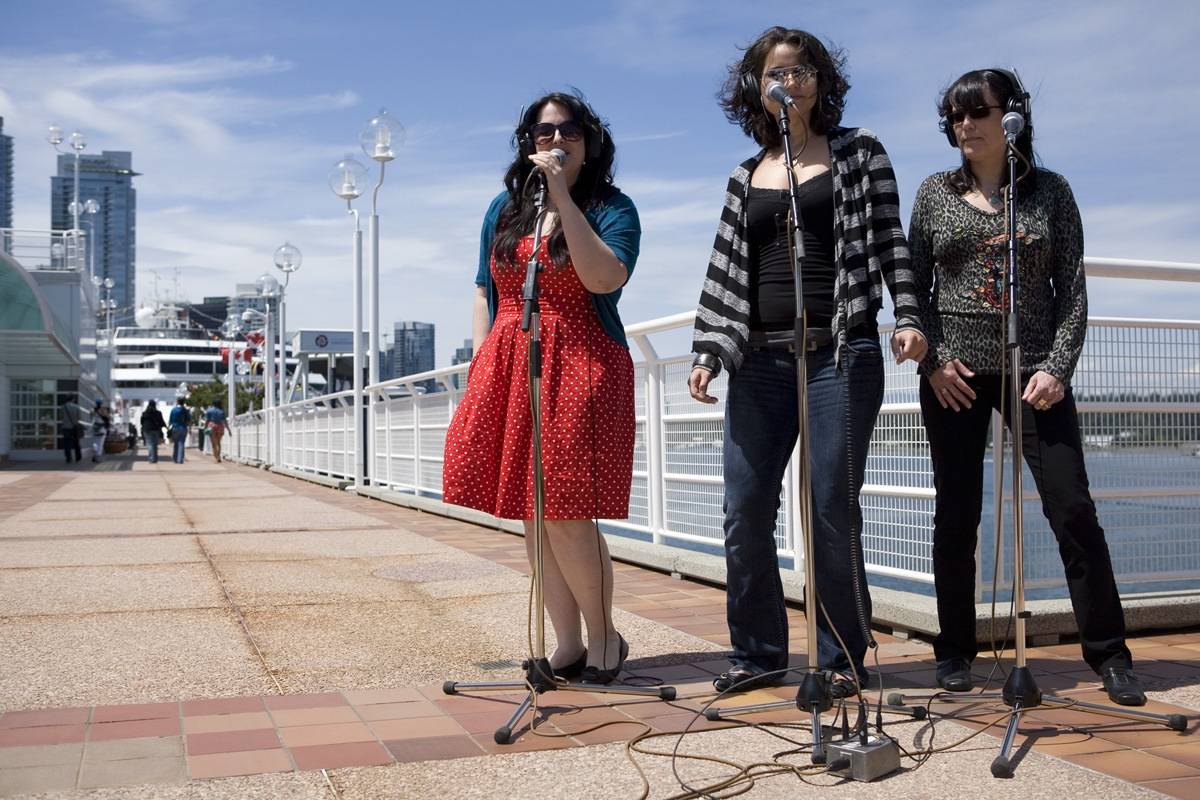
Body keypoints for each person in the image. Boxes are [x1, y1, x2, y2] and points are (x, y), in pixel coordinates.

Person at [688, 27, 927, 695]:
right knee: (744, 509)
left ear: (820, 80)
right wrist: (710, 350)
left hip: (839, 354)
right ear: (756, 89)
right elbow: (727, 272)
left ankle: (841, 659)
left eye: (798, 72)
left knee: (830, 508)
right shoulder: (746, 175)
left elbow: (890, 241)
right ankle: (759, 653)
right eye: (774, 74)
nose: (786, 84)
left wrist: (907, 318)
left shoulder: (859, 153)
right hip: (760, 363)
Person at [910, 68, 1145, 706]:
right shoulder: (933, 193)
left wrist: (1058, 368)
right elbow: (913, 293)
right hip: (955, 375)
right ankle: (955, 650)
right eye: (955, 117)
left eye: (977, 113)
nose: (965, 126)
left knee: (1071, 506)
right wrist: (933, 363)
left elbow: (1071, 288)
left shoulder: (1050, 193)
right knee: (956, 512)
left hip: (1034, 370)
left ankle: (1110, 655)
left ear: (1011, 116)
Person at [442, 91, 640, 685]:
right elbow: (484, 288)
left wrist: (561, 195)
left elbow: (604, 276)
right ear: (528, 141)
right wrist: (482, 359)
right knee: (533, 514)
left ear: (590, 141)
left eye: (569, 131)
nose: (556, 141)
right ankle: (568, 643)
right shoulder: (503, 209)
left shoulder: (612, 206)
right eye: (543, 131)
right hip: (510, 357)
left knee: (569, 513)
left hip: (580, 360)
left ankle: (606, 637)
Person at [60, 397, 85, 464]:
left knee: (67, 443)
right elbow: (80, 417)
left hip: (65, 427)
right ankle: (78, 457)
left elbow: (60, 417)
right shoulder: (77, 407)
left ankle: (68, 458)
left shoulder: (63, 407)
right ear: (73, 399)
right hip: (74, 427)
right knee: (76, 443)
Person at [204, 399, 230, 463]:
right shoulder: (221, 411)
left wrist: (205, 428)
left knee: (213, 443)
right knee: (218, 442)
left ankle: (216, 457)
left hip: (211, 426)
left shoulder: (209, 411)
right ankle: (218, 456)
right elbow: (225, 421)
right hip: (220, 426)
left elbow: (207, 420)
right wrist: (229, 430)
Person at [168, 397, 191, 464]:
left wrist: (169, 428)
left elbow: (170, 420)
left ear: (177, 401)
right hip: (183, 428)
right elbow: (188, 420)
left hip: (175, 428)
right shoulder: (185, 410)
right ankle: (180, 459)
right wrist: (189, 428)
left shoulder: (173, 410)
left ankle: (175, 458)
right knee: (181, 443)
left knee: (175, 444)